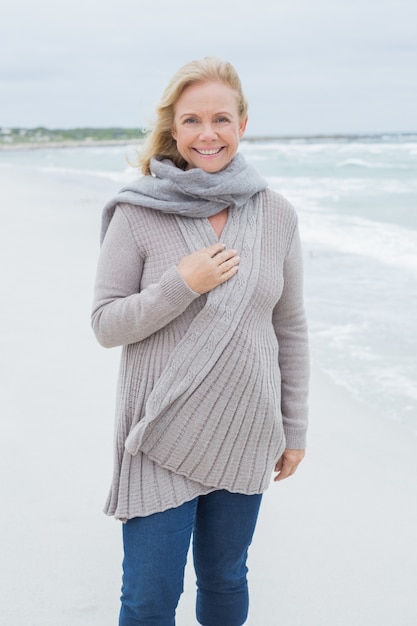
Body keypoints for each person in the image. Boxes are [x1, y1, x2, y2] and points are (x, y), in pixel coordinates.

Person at [91, 56, 309, 626]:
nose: (207, 133)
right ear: (173, 128)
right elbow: (106, 324)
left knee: (225, 579)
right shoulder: (137, 212)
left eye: (220, 119)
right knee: (148, 601)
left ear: (242, 123)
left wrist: (295, 427)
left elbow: (290, 328)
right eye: (192, 120)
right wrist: (180, 285)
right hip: (160, 433)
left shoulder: (276, 213)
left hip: (247, 429)